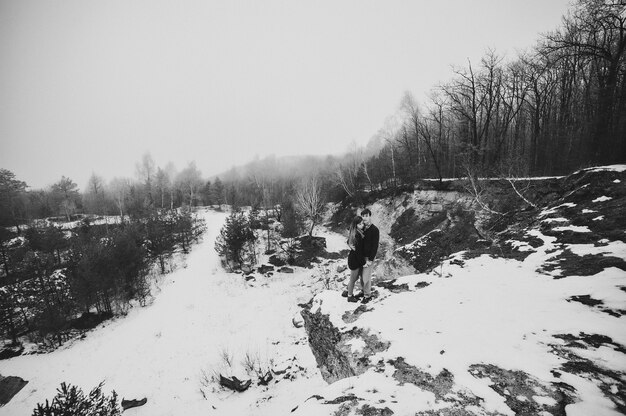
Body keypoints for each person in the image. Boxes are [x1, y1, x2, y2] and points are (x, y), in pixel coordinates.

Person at [360, 208, 379, 304]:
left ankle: (367, 296)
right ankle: (363, 291)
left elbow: (375, 246)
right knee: (361, 275)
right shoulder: (362, 228)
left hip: (369, 257)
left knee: (366, 277)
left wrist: (370, 259)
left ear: (370, 216)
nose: (364, 218)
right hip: (361, 256)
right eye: (363, 216)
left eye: (366, 216)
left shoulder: (374, 230)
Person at [346, 215, 366, 302]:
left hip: (354, 258)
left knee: (356, 277)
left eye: (362, 223)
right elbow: (358, 252)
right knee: (353, 279)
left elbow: (348, 241)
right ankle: (349, 296)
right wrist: (363, 262)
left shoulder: (355, 232)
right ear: (356, 225)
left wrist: (349, 244)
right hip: (355, 260)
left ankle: (346, 291)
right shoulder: (357, 235)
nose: (362, 225)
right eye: (360, 224)